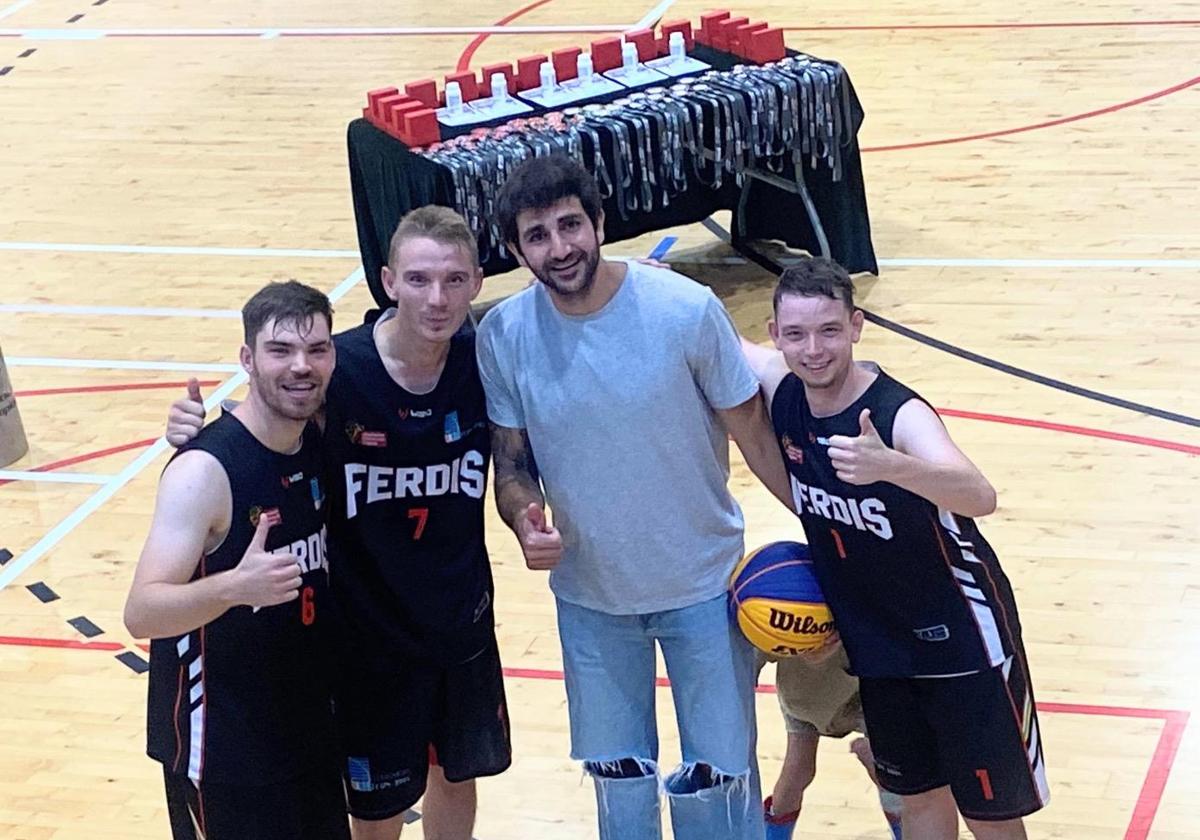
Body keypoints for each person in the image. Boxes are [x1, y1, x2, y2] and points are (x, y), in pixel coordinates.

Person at [474, 153, 794, 840]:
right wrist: (522, 517)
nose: (558, 248)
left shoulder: (685, 310)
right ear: (513, 248)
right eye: (537, 235)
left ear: (599, 220)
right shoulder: (502, 335)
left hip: (704, 589)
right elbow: (511, 464)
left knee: (721, 783)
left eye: (570, 225)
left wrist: (823, 523)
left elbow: (755, 433)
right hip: (591, 602)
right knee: (619, 792)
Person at [165, 206, 511, 840]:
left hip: (460, 621)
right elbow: (264, 418)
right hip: (366, 638)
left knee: (458, 781)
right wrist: (196, 433)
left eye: (454, 280)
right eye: (418, 279)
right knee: (376, 812)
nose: (436, 299)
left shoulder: (483, 358)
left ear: (477, 282)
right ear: (386, 281)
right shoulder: (339, 369)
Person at [741, 257, 1049, 839]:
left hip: (961, 640)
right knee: (920, 802)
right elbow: (707, 333)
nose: (814, 350)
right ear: (775, 332)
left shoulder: (898, 414)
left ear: (856, 326)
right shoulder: (783, 388)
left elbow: (980, 495)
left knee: (989, 815)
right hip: (879, 645)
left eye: (830, 331)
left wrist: (891, 466)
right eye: (797, 334)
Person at [125, 280, 349, 840]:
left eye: (316, 349)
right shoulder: (204, 471)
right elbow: (142, 612)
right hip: (224, 753)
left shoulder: (313, 441)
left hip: (307, 734)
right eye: (281, 351)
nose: (302, 366)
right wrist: (233, 587)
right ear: (247, 358)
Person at [759, 640, 903, 840]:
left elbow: (757, 646)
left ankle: (773, 835)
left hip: (804, 692)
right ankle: (906, 830)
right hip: (859, 686)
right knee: (889, 773)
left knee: (797, 770)